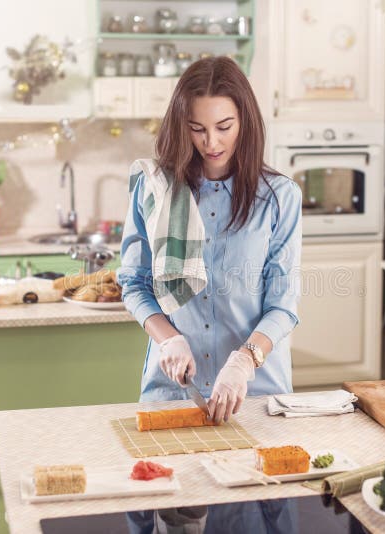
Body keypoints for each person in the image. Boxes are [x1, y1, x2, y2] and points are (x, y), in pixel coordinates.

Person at [118, 56, 302, 533]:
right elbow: (135, 283)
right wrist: (167, 338)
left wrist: (246, 360)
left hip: (255, 397)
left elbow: (284, 304)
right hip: (172, 393)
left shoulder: (279, 197)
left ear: (246, 120)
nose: (212, 142)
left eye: (224, 126)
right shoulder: (154, 187)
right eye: (197, 129)